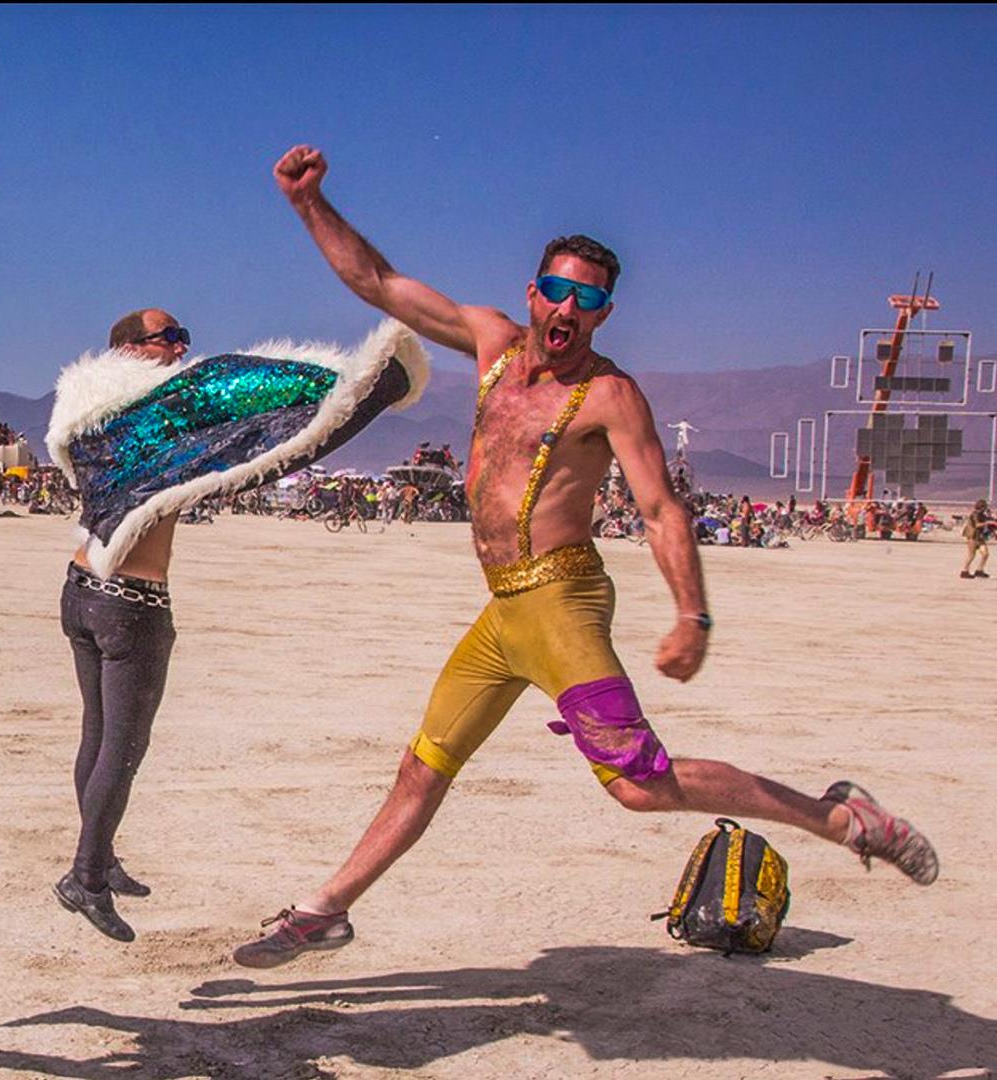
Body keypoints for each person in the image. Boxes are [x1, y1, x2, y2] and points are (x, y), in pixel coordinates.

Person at [234, 144, 940, 968]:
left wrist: (692, 614)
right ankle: (325, 911)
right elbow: (380, 282)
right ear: (533, 293)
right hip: (504, 612)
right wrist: (309, 203)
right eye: (559, 290)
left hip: (561, 601)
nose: (570, 306)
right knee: (423, 766)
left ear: (604, 313)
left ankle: (842, 818)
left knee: (639, 784)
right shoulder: (492, 345)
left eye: (591, 297)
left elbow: (660, 507)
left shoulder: (610, 395)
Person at [53, 308, 190, 941]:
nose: (181, 348)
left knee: (99, 733)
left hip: (82, 588)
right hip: (131, 602)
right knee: (123, 746)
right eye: (169, 339)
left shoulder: (92, 414)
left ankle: (100, 857)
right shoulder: (153, 415)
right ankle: (85, 877)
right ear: (131, 349)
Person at [964, 498, 993, 579]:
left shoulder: (982, 515)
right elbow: (977, 525)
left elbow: (989, 520)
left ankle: (979, 570)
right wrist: (987, 523)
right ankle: (965, 571)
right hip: (972, 537)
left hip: (980, 538)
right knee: (971, 555)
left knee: (985, 554)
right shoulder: (974, 514)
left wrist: (990, 517)